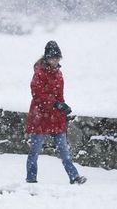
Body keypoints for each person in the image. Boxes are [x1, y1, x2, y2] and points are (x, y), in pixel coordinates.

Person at [25, 40, 87, 185]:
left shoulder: (59, 74)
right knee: (35, 150)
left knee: (64, 151)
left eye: (57, 58)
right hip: (40, 116)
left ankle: (74, 177)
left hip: (55, 116)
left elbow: (59, 96)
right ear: (46, 58)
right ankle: (31, 178)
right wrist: (55, 104)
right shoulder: (38, 73)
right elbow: (38, 96)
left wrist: (63, 107)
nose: (55, 61)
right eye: (53, 58)